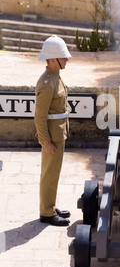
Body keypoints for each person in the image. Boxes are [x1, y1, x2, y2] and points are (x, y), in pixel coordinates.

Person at [34, 35, 71, 226]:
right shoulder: (47, 83)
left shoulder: (56, 78)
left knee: (53, 173)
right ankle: (46, 213)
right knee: (49, 174)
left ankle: (50, 205)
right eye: (63, 57)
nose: (67, 60)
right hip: (52, 136)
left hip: (58, 133)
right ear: (52, 60)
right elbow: (40, 116)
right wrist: (45, 141)